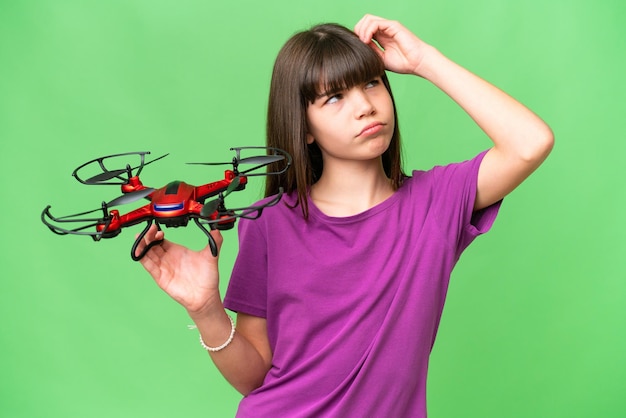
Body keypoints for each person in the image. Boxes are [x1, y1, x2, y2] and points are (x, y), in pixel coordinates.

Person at [137, 14, 553, 417]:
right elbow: (254, 377)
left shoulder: (437, 201)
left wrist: (424, 61)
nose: (365, 106)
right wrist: (206, 309)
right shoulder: (268, 221)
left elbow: (530, 143)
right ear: (304, 127)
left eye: (371, 83)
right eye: (334, 97)